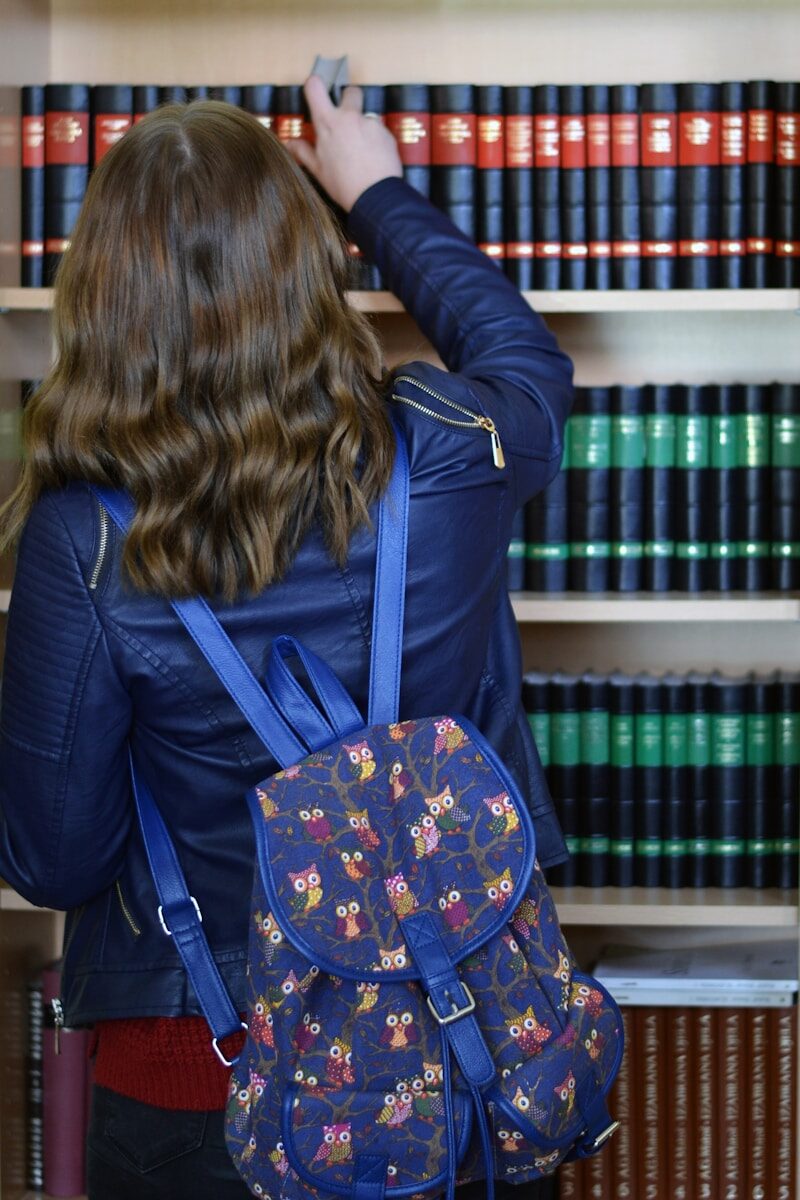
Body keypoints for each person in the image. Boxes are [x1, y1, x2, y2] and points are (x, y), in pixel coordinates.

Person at [0, 76, 573, 1200]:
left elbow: (52, 861)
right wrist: (376, 193)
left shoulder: (82, 539)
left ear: (101, 299)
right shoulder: (450, 449)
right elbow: (530, 369)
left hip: (203, 1078)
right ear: (312, 267)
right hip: (465, 1056)